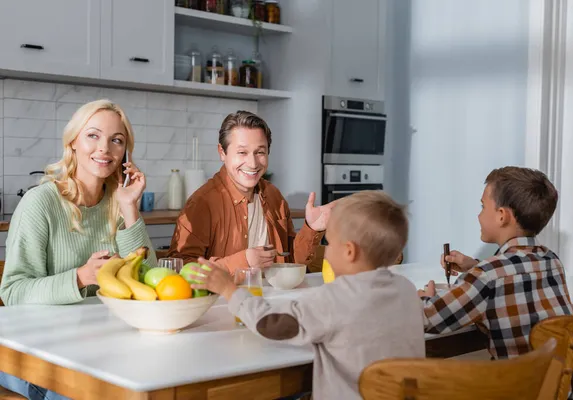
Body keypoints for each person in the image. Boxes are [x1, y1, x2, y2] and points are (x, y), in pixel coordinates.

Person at [190, 191, 425, 400]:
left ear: (349, 251)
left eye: (329, 243)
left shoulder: (334, 299)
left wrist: (229, 290)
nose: (326, 251)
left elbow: (271, 323)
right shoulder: (406, 289)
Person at [0, 99, 157, 399]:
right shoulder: (40, 203)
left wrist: (130, 209)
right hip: (35, 350)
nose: (105, 149)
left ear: (125, 153)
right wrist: (80, 277)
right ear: (73, 142)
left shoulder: (119, 201)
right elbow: (13, 292)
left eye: (117, 140)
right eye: (93, 135)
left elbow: (149, 283)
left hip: (100, 345)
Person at [417, 166, 573, 400]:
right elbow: (515, 279)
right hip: (570, 392)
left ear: (502, 215)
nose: (479, 215)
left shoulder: (488, 276)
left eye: (482, 206)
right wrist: (474, 266)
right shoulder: (551, 260)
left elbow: (429, 319)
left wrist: (426, 296)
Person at [168, 110, 336, 273]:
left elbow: (290, 262)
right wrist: (244, 261)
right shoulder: (202, 203)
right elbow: (181, 268)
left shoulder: (273, 195)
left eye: (260, 152)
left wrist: (312, 229)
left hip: (271, 298)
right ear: (222, 152)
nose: (253, 163)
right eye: (242, 152)